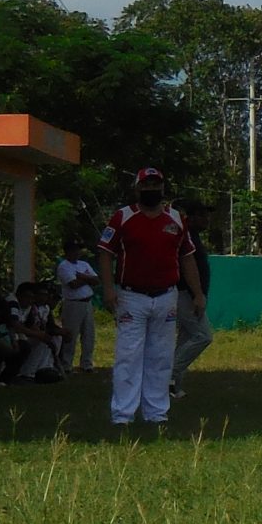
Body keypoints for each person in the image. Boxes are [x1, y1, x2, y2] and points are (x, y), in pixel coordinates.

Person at [96, 166, 201, 425]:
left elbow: (188, 258)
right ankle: (123, 415)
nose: (151, 190)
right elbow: (105, 253)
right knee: (129, 355)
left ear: (163, 188)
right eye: (146, 185)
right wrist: (108, 289)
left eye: (156, 185)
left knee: (161, 356)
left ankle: (156, 413)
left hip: (166, 295)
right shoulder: (122, 217)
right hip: (132, 296)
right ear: (137, 188)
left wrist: (198, 293)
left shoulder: (176, 219)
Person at [169, 198, 215, 398]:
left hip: (191, 294)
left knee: (186, 339)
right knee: (203, 336)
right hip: (185, 294)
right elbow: (187, 266)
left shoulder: (193, 235)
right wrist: (197, 295)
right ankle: (168, 374)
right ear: (191, 217)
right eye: (203, 216)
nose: (207, 220)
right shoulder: (185, 234)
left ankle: (173, 387)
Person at [55, 239, 102, 372]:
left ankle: (87, 363)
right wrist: (87, 279)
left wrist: (82, 277)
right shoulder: (64, 266)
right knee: (71, 334)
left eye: (78, 250)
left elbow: (96, 280)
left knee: (89, 334)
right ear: (68, 252)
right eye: (74, 250)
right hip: (73, 303)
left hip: (87, 301)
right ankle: (66, 363)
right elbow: (73, 284)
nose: (77, 253)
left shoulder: (84, 264)